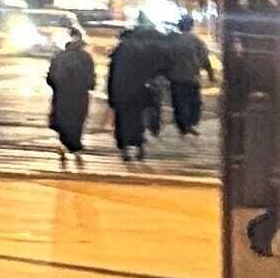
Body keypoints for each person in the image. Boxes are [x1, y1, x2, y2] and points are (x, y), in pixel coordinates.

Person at [106, 10, 166, 164]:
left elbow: (112, 75)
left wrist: (111, 95)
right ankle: (138, 147)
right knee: (137, 119)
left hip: (121, 92)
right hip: (138, 91)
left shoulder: (119, 51)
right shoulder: (142, 50)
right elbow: (149, 71)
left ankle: (125, 149)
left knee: (122, 121)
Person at [46, 21, 96, 167]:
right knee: (77, 119)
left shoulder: (60, 56)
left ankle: (65, 143)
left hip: (62, 93)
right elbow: (91, 78)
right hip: (80, 94)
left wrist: (56, 86)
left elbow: (51, 77)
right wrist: (89, 86)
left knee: (63, 118)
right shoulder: (86, 58)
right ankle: (74, 145)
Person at [166, 16, 211, 144]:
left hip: (175, 78)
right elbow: (204, 58)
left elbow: (164, 58)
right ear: (191, 26)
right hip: (191, 78)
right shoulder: (196, 41)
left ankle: (182, 126)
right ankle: (190, 123)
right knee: (193, 102)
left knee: (178, 103)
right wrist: (209, 73)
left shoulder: (172, 41)